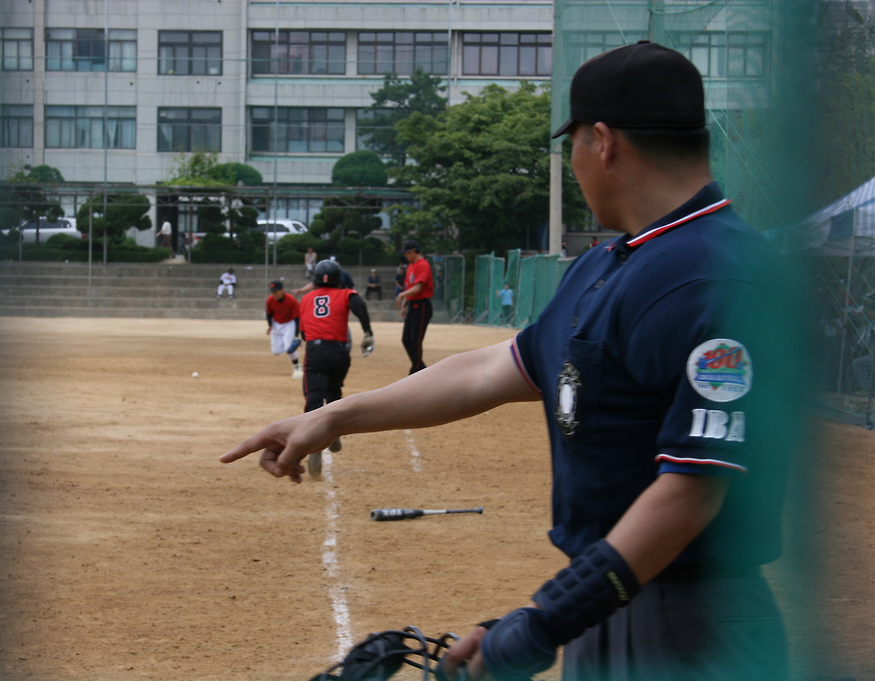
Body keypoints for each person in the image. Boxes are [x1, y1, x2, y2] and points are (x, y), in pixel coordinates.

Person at [221, 41, 802, 681]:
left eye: (572, 143)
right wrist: (333, 418)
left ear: (602, 142)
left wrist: (544, 622)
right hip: (613, 603)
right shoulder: (609, 266)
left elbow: (692, 494)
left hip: (696, 628)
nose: (575, 161)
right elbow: (494, 369)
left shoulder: (719, 274)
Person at [295, 259, 374, 478]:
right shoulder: (346, 294)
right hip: (340, 353)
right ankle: (333, 430)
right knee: (334, 390)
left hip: (317, 352)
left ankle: (314, 447)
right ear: (338, 279)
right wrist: (367, 331)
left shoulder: (307, 298)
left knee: (313, 397)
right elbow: (359, 304)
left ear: (316, 281)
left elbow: (303, 334)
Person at [396, 239, 434, 374]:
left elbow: (418, 288)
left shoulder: (423, 265)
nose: (405, 256)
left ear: (413, 251)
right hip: (413, 305)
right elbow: (410, 287)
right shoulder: (411, 266)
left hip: (422, 306)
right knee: (406, 339)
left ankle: (416, 371)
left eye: (406, 253)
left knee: (415, 341)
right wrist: (405, 303)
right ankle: (422, 370)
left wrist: (401, 295)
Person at [265, 280, 303, 379]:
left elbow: (297, 318)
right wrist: (270, 326)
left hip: (289, 324)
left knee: (289, 349)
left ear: (282, 290)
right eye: (272, 292)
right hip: (276, 324)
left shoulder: (291, 300)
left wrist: (296, 335)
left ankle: (297, 367)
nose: (274, 294)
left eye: (276, 291)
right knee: (276, 351)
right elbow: (269, 314)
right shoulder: (269, 300)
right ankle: (287, 344)